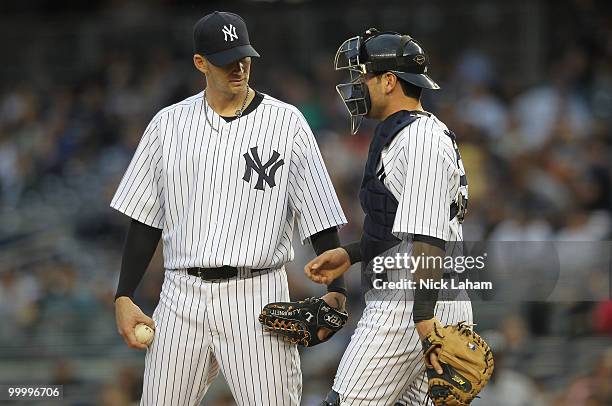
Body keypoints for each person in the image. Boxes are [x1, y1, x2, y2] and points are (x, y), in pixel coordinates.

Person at [111, 11, 347, 406]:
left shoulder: (286, 123)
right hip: (181, 294)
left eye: (244, 57)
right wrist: (124, 295)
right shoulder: (168, 125)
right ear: (200, 63)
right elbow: (145, 219)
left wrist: (337, 291)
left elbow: (319, 213)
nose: (238, 67)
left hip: (257, 293)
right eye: (225, 60)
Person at [306, 29, 472, 405]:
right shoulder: (412, 134)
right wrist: (352, 253)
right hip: (420, 295)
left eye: (362, 75)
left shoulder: (420, 140)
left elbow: (429, 240)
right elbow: (399, 225)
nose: (356, 85)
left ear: (389, 81)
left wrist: (425, 322)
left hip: (411, 301)